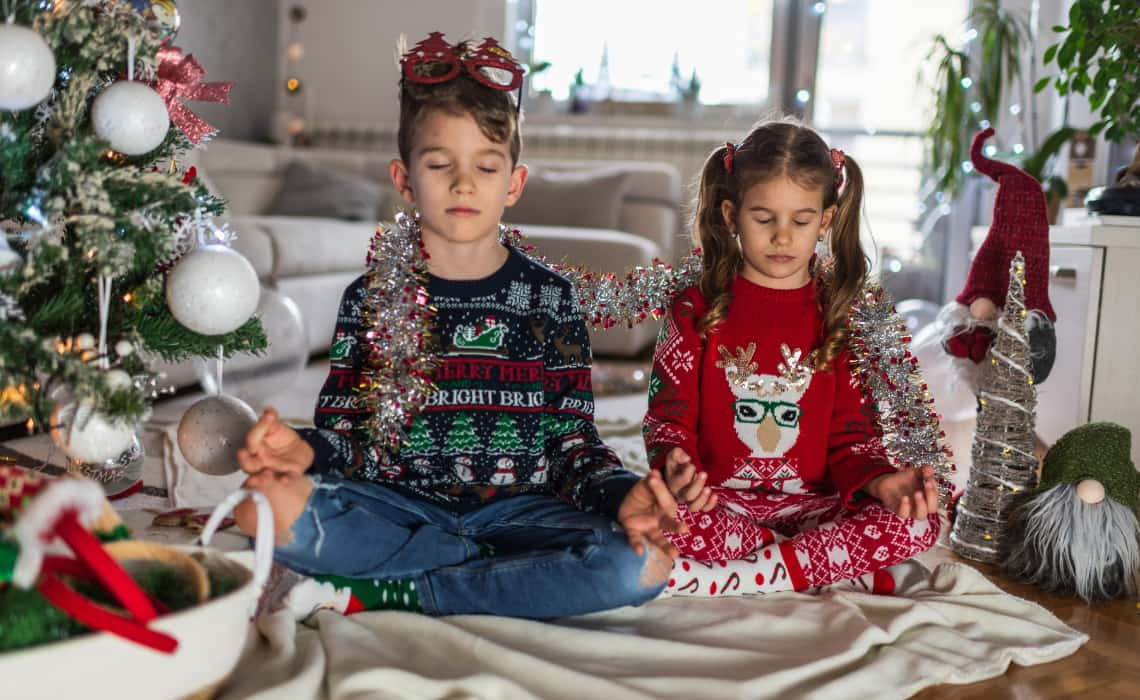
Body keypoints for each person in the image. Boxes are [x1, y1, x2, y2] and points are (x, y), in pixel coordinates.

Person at [233, 32, 680, 619]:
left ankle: (406, 588)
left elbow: (575, 446)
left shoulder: (549, 298)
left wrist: (623, 495)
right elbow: (346, 437)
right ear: (404, 179)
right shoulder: (370, 298)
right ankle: (490, 573)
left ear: (513, 184)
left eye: (486, 166)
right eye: (440, 164)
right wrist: (303, 452)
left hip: (522, 510)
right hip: (399, 505)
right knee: (258, 508)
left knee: (645, 564)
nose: (464, 183)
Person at [643, 120, 941, 597]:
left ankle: (740, 576)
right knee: (654, 514)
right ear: (730, 214)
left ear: (825, 220)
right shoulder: (693, 309)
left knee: (918, 526)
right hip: (721, 506)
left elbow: (853, 441)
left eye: (800, 221)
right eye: (764, 219)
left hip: (815, 508)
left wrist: (881, 482)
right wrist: (677, 469)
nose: (782, 237)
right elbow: (667, 423)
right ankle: (818, 566)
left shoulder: (843, 314)